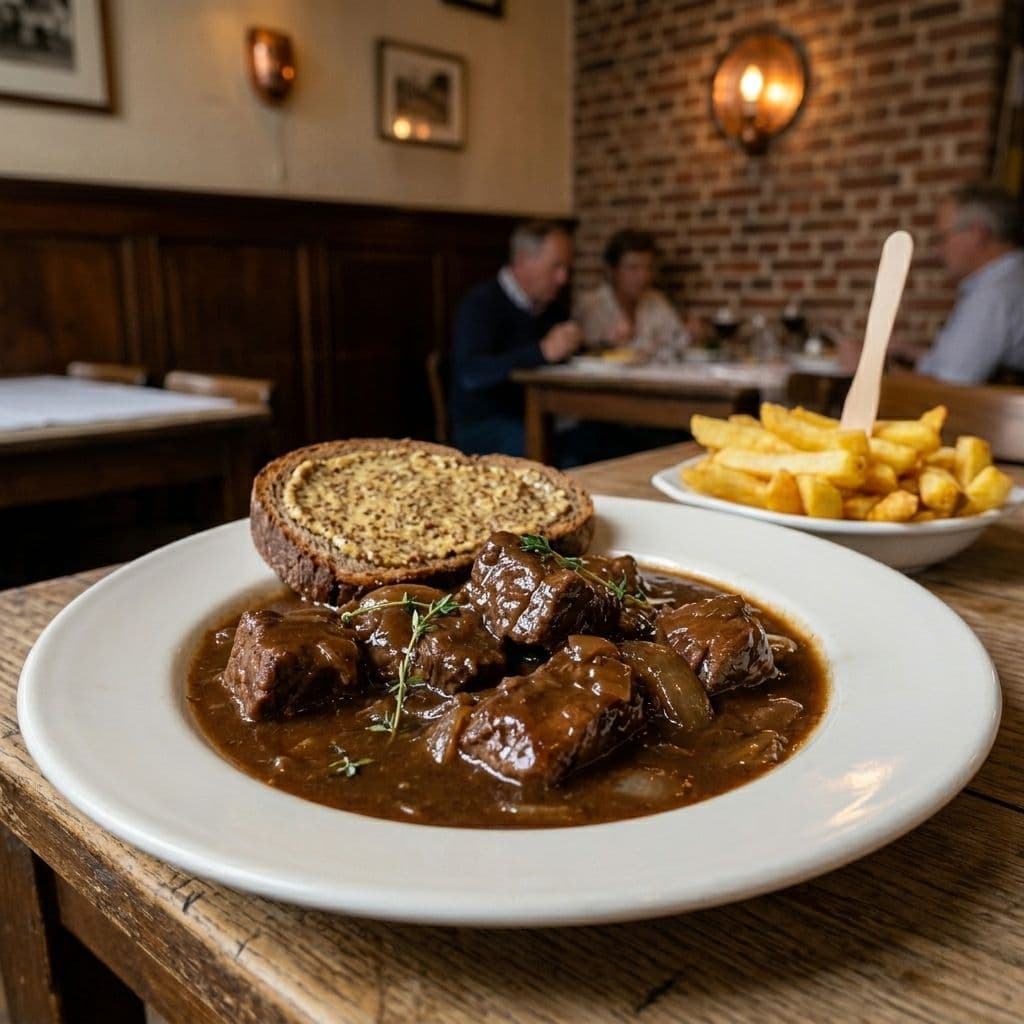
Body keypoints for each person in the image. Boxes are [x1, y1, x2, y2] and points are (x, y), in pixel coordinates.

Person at [449, 220, 582, 458]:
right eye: (555, 267)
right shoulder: (481, 303)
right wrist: (541, 353)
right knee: (549, 452)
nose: (563, 278)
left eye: (566, 268)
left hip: (542, 416)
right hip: (485, 424)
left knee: (599, 439)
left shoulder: (552, 308)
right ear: (523, 261)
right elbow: (471, 373)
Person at [914, 183, 1024, 384]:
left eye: (942, 238)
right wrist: (910, 351)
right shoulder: (1008, 279)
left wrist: (870, 368)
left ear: (976, 234)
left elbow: (949, 388)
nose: (937, 251)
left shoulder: (993, 294)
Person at [574, 229, 691, 361]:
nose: (643, 276)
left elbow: (680, 342)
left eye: (648, 267)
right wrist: (607, 344)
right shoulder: (591, 306)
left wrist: (693, 333)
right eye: (633, 268)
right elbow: (585, 356)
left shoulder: (656, 300)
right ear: (612, 271)